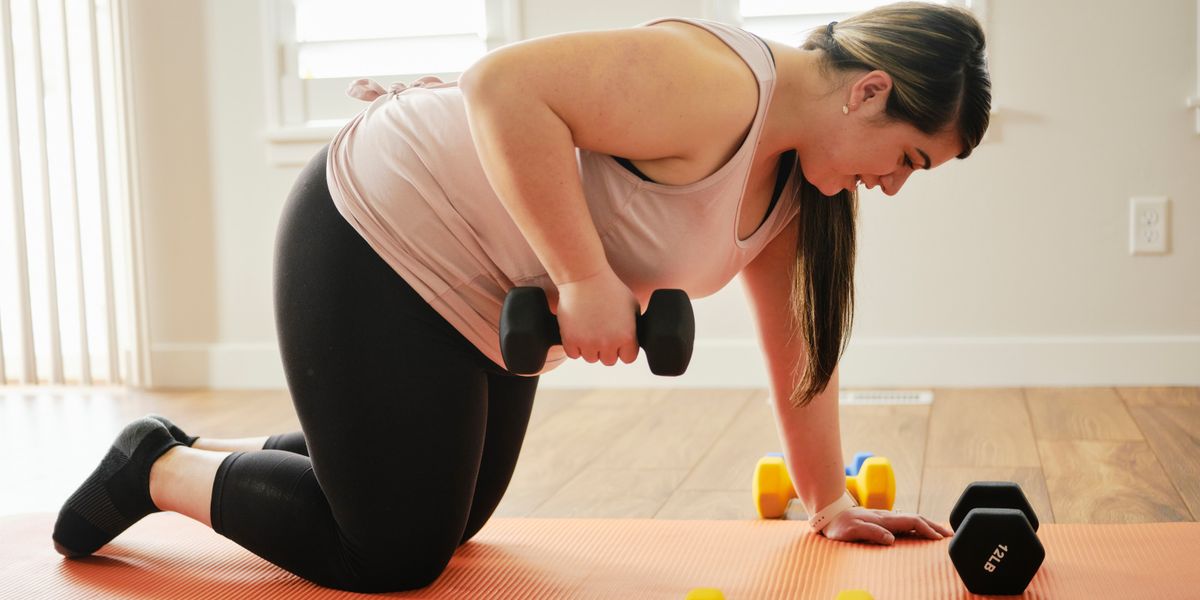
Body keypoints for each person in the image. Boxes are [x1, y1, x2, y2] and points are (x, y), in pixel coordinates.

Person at [51, 2, 989, 593]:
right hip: (383, 222)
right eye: (909, 159)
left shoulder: (799, 188)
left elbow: (799, 348)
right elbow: (504, 86)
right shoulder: (718, 81)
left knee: (456, 517)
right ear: (869, 92)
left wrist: (829, 499)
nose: (895, 185)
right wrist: (585, 280)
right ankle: (155, 467)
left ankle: (317, 454)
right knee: (392, 555)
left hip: (490, 280)